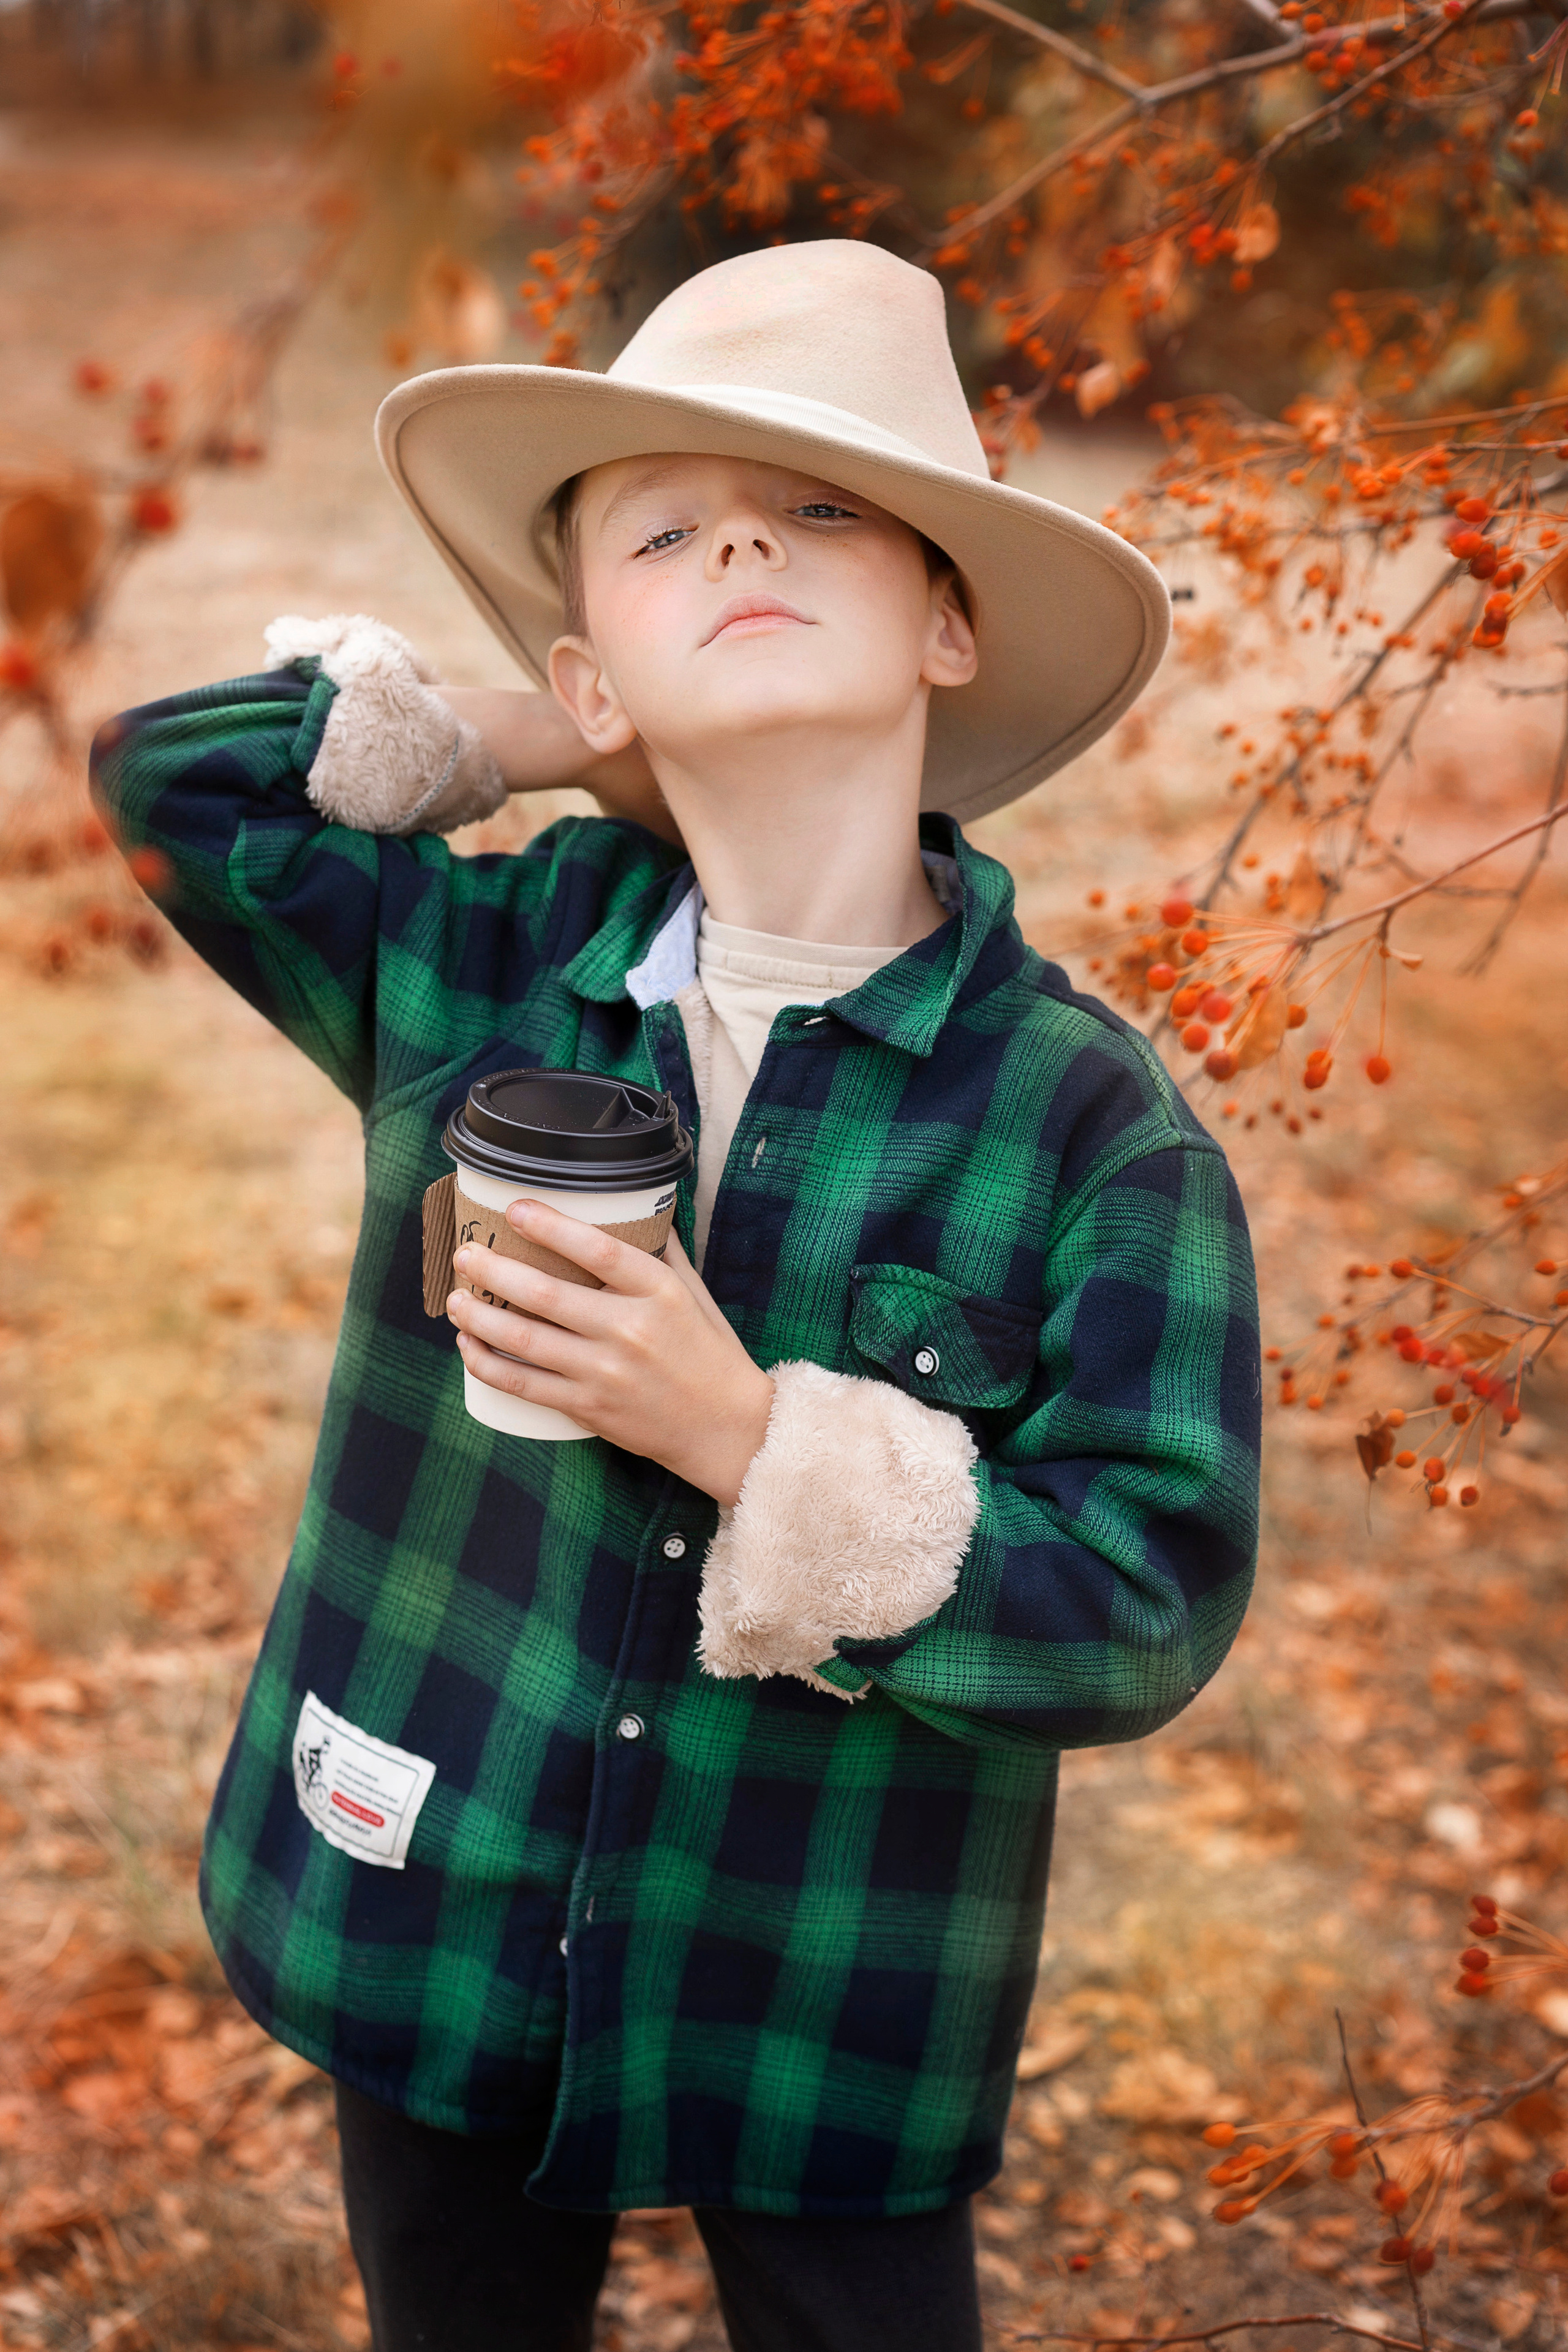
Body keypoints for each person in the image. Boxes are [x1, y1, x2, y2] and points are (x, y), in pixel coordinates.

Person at [91, 240, 1261, 2352]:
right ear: (594, 668)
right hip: (432, 1892)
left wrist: (753, 1442)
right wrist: (549, 735)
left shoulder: (1093, 1133)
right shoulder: (481, 969)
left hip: (815, 1985)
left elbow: (1148, 1605)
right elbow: (180, 779)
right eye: (665, 526)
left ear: (951, 619)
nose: (741, 533)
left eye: (823, 508)